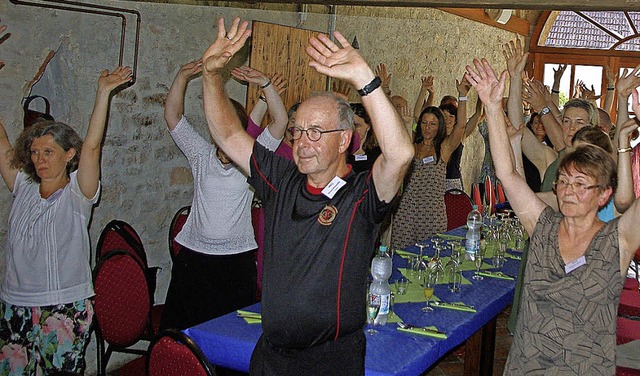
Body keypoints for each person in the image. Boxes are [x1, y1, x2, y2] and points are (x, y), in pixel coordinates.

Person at [200, 17, 413, 375]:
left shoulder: (360, 195)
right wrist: (210, 76)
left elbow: (400, 155)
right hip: (271, 356)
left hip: (329, 360)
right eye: (298, 131)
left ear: (344, 139)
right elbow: (227, 135)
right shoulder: (281, 179)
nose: (302, 142)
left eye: (316, 132)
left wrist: (365, 79)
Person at [466, 57, 640, 375]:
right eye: (564, 182)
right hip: (526, 368)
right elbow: (507, 173)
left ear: (604, 194)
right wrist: (492, 106)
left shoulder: (618, 238)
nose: (569, 191)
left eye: (581, 184)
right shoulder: (543, 225)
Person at [0, 66, 132, 374]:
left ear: (69, 154)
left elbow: (93, 146)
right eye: (34, 152)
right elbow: (1, 137)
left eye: (48, 151)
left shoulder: (78, 194)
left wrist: (103, 93)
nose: (40, 159)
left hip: (63, 306)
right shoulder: (23, 186)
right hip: (14, 303)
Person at [160, 60, 285, 331]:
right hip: (194, 259)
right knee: (182, 334)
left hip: (236, 262)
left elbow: (280, 122)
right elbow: (172, 116)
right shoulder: (200, 154)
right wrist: (182, 74)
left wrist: (266, 84)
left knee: (229, 335)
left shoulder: (251, 157)